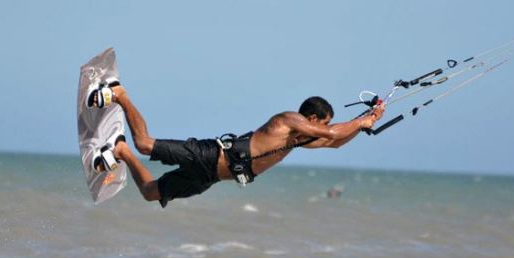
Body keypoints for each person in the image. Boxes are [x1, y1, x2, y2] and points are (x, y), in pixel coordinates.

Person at [89, 81, 384, 207]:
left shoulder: (294, 142)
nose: (323, 130)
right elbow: (332, 134)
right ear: (311, 117)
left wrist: (365, 122)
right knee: (144, 142)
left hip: (211, 177)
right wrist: (361, 121)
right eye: (322, 123)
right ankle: (120, 95)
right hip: (208, 154)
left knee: (151, 193)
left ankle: (121, 151)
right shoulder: (288, 120)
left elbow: (335, 144)